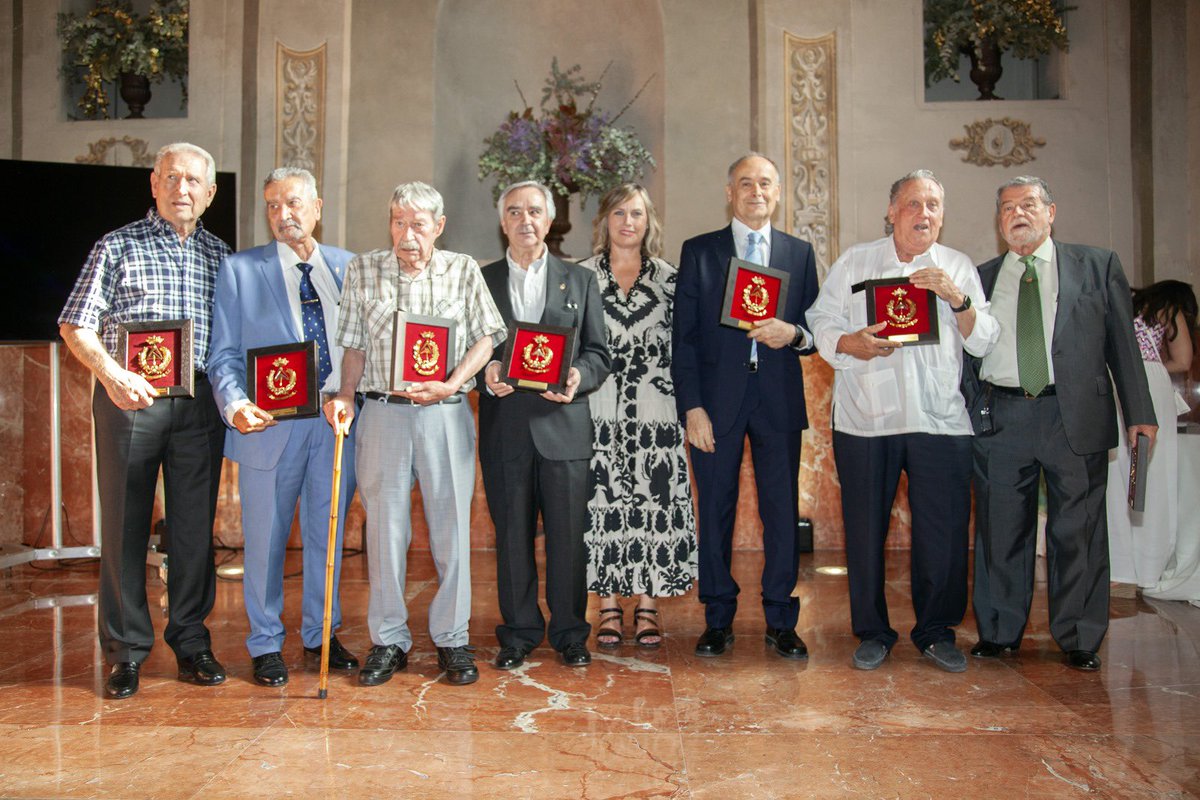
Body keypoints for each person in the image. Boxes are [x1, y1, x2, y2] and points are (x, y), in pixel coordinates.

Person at [58, 142, 232, 699]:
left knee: (192, 532)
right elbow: (75, 325)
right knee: (125, 527)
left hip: (200, 405)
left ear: (210, 194)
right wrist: (112, 375)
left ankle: (190, 642)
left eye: (194, 181)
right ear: (153, 184)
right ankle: (126, 652)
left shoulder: (221, 256)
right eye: (172, 178)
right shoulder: (116, 246)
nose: (183, 189)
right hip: (129, 401)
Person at [807, 170, 999, 672]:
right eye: (914, 204)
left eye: (934, 205)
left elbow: (984, 340)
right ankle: (872, 631)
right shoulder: (856, 261)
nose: (925, 214)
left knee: (944, 532)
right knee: (865, 531)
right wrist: (849, 343)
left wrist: (957, 299)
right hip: (867, 419)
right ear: (892, 212)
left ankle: (936, 632)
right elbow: (821, 320)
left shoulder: (956, 266)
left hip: (941, 421)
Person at [965, 176, 1156, 672]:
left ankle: (1078, 636)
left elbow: (1122, 344)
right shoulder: (980, 277)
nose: (1017, 214)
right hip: (1003, 416)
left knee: (1080, 530)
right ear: (998, 220)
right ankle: (1000, 631)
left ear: (1052, 212)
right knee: (1000, 529)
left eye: (1028, 204)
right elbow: (964, 353)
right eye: (1007, 207)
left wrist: (1140, 414)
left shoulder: (1096, 265)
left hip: (1074, 415)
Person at [324, 181, 505, 687]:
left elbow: (486, 338)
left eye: (418, 225)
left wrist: (453, 382)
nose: (407, 235)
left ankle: (452, 638)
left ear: (438, 228)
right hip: (382, 414)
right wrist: (344, 394)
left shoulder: (463, 269)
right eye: (398, 222)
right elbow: (354, 346)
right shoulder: (363, 269)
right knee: (384, 532)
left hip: (445, 413)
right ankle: (388, 640)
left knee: (451, 531)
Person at [208, 167, 359, 687]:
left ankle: (322, 635)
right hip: (268, 425)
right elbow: (222, 355)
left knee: (329, 534)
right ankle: (265, 643)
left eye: (293, 203)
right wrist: (235, 405)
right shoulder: (240, 270)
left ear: (318, 206)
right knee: (266, 540)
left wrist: (351, 395)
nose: (283, 214)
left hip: (334, 420)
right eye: (272, 205)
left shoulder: (348, 266)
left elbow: (365, 344)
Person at [671, 153, 820, 659]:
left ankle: (781, 618)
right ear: (729, 191)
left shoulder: (799, 254)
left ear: (778, 193)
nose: (756, 191)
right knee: (715, 511)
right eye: (745, 183)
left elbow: (815, 331)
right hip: (715, 404)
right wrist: (691, 407)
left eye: (766, 183)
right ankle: (717, 618)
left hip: (777, 399)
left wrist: (793, 332)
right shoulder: (700, 252)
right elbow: (684, 338)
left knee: (781, 514)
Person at [478, 180, 612, 670]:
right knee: (511, 538)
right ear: (503, 221)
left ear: (549, 219)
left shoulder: (579, 280)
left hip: (564, 428)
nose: (525, 220)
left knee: (567, 538)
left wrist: (579, 375)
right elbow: (466, 350)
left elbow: (600, 352)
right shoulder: (481, 279)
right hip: (505, 429)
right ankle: (517, 632)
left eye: (535, 211)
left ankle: (571, 632)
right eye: (515, 211)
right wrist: (484, 372)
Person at [578, 184, 697, 649]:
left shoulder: (673, 280)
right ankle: (607, 604)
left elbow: (687, 348)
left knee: (655, 504)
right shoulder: (580, 277)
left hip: (657, 411)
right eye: (620, 213)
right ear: (604, 220)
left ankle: (647, 604)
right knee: (600, 506)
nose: (629, 222)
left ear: (649, 223)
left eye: (638, 214)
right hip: (597, 411)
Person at [1106, 280, 1197, 594]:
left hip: (1113, 381)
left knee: (1116, 474)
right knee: (1150, 475)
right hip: (1150, 383)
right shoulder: (1167, 307)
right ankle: (1149, 567)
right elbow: (1184, 360)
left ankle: (1118, 567)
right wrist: (1153, 362)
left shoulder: (1122, 302)